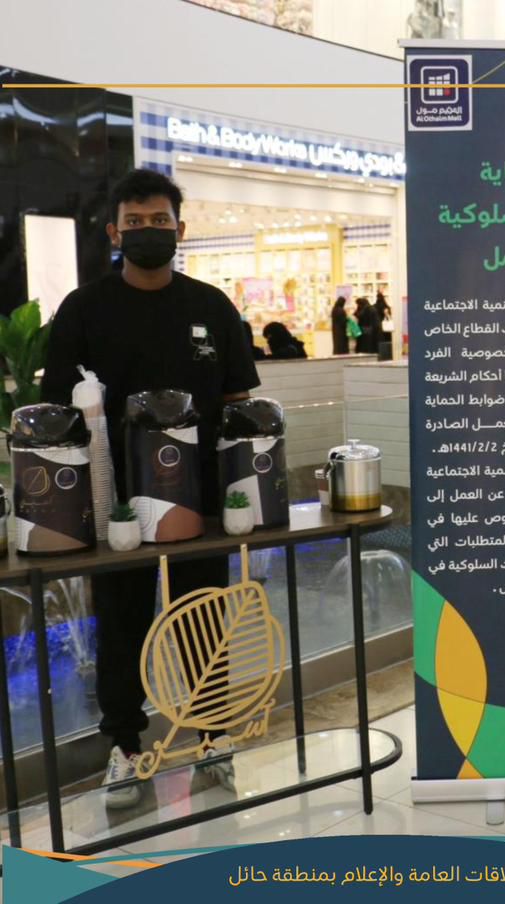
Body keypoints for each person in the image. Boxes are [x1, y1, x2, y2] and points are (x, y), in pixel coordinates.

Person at [41, 168, 260, 808]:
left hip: (202, 502)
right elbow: (59, 413)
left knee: (204, 619)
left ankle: (213, 738)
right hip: (115, 504)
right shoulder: (84, 309)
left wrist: (242, 497)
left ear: (179, 229)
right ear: (114, 233)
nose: (146, 231)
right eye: (133, 223)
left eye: (158, 221)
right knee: (122, 623)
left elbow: (238, 403)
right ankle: (126, 749)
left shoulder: (211, 308)